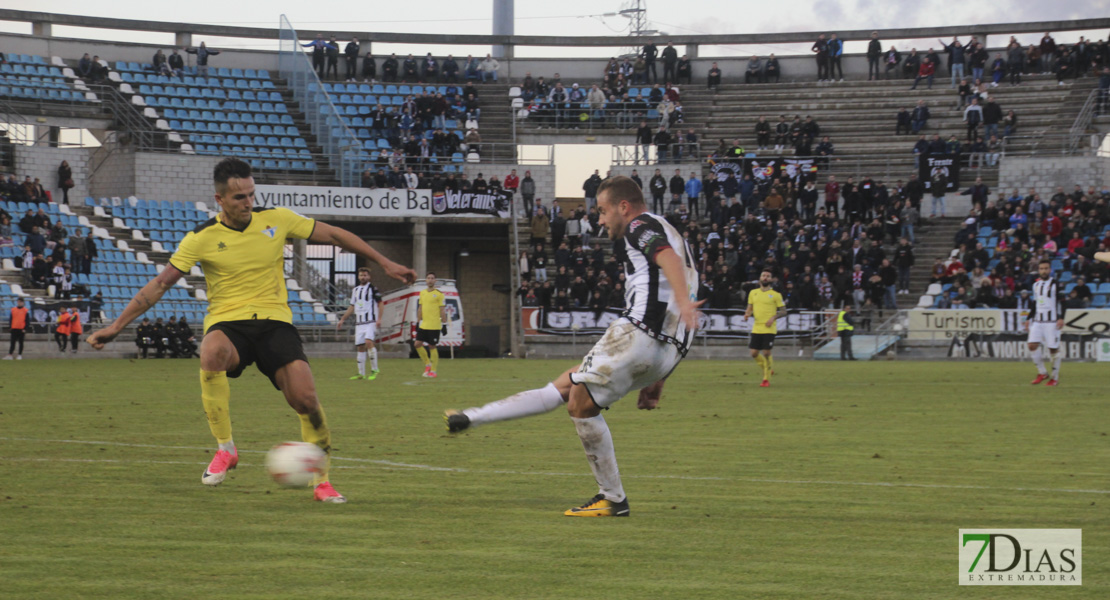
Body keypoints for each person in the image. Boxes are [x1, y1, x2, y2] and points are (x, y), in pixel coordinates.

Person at [87, 158, 416, 503]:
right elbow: (159, 285)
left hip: (275, 322)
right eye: (239, 197)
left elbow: (333, 234)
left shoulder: (276, 219)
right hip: (230, 323)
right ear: (219, 200)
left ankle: (322, 482)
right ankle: (226, 448)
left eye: (251, 194)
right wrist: (116, 326)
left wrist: (385, 262)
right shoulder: (201, 238)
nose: (248, 203)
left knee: (306, 400)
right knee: (211, 351)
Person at [443, 176, 700, 518]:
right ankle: (472, 418)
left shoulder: (639, 225)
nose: (600, 219)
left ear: (624, 207)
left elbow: (665, 258)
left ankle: (612, 497)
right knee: (567, 385)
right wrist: (658, 376)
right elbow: (673, 273)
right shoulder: (670, 229)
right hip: (667, 348)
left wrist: (683, 302)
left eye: (604, 211)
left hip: (639, 331)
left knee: (579, 401)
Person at [336, 267, 382, 380]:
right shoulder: (355, 290)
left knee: (368, 342)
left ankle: (375, 369)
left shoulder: (373, 289)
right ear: (358, 276)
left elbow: (381, 303)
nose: (363, 277)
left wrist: (379, 318)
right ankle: (361, 373)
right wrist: (343, 319)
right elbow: (352, 306)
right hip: (359, 323)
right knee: (360, 347)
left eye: (365, 275)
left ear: (369, 277)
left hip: (370, 321)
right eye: (361, 275)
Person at [745, 270, 787, 387]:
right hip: (757, 327)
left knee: (766, 352)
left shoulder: (776, 295)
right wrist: (747, 314)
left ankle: (765, 379)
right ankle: (767, 369)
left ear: (771, 280)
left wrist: (773, 318)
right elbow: (750, 307)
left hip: (769, 328)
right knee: (753, 353)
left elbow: (784, 312)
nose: (765, 278)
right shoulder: (753, 293)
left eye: (768, 276)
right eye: (763, 275)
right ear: (760, 278)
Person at [1027, 259, 1063, 386]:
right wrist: (1028, 318)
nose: (1043, 271)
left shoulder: (1055, 284)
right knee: (1031, 345)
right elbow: (1035, 303)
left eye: (1046, 268)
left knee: (1053, 349)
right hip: (1038, 321)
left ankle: (1055, 378)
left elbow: (1061, 301)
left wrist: (1061, 317)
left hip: (1051, 321)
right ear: (1038, 270)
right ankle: (1042, 372)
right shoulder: (1035, 285)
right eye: (1041, 268)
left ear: (1050, 269)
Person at [414, 273, 447, 378]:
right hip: (424, 325)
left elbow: (442, 310)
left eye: (432, 278)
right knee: (417, 344)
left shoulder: (439, 294)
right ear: (426, 280)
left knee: (432, 346)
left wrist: (444, 324)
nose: (430, 280)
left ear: (435, 281)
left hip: (434, 325)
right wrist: (418, 322)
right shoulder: (422, 293)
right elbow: (420, 308)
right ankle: (427, 364)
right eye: (428, 278)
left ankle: (434, 371)